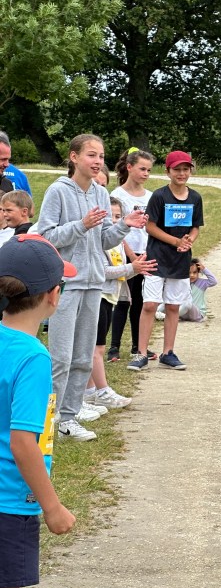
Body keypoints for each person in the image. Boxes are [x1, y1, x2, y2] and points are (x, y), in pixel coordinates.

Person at [36, 134, 146, 440]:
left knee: (83, 356)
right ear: (74, 157)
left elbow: (105, 240)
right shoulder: (58, 191)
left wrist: (125, 225)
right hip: (66, 284)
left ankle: (69, 420)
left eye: (101, 156)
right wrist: (81, 225)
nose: (98, 161)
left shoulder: (100, 192)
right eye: (91, 155)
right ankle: (47, 422)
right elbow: (46, 236)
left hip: (94, 283)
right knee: (61, 357)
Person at [0, 234, 77, 588]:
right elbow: (22, 443)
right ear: (53, 295)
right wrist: (53, 507)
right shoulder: (32, 356)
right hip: (8, 502)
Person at [127, 151, 203, 373]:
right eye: (177, 169)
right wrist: (175, 241)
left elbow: (196, 227)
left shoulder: (195, 198)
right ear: (167, 171)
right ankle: (141, 353)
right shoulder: (160, 196)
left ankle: (168, 352)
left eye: (185, 169)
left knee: (173, 306)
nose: (181, 173)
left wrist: (188, 241)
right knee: (150, 304)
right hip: (157, 257)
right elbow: (150, 227)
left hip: (180, 260)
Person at [86, 199, 154, 411]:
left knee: (95, 347)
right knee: (96, 348)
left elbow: (121, 272)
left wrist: (136, 268)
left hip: (109, 297)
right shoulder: (99, 241)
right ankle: (102, 391)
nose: (114, 221)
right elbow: (102, 271)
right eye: (110, 217)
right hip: (98, 295)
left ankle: (89, 391)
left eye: (118, 217)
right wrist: (131, 268)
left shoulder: (117, 243)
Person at [109, 148, 156, 362]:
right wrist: (131, 255)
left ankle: (138, 346)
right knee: (123, 300)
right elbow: (117, 228)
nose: (146, 174)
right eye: (142, 169)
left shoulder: (151, 196)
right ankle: (114, 348)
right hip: (125, 253)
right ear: (129, 167)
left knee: (140, 300)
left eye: (149, 170)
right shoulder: (117, 195)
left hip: (145, 253)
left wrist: (147, 252)